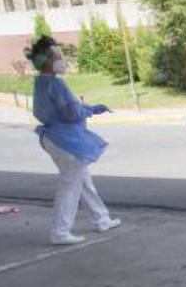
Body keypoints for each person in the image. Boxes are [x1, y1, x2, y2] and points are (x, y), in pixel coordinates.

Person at [28, 36, 120, 245]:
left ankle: (101, 218)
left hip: (55, 137)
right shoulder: (56, 84)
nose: (62, 60)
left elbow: (45, 112)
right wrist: (89, 109)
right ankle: (60, 231)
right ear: (46, 61)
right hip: (66, 140)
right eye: (57, 56)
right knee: (70, 185)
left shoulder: (41, 83)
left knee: (83, 180)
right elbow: (71, 113)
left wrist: (84, 109)